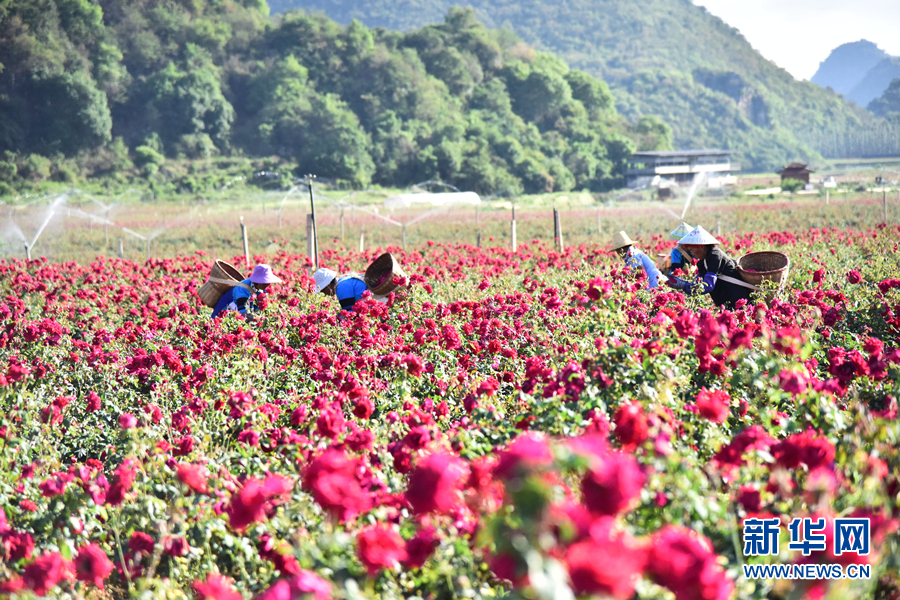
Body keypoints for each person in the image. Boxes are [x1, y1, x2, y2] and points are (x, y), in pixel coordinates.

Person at [667, 225, 754, 309]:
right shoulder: (703, 260)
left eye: (692, 250)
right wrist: (683, 282)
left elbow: (708, 285)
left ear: (701, 246)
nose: (692, 253)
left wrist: (684, 286)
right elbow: (698, 281)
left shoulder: (715, 255)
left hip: (737, 301)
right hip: (725, 302)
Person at [211, 264, 282, 319]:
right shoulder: (243, 289)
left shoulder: (260, 289)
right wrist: (256, 319)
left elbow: (257, 308)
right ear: (258, 281)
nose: (268, 284)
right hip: (223, 314)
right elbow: (242, 312)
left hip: (235, 315)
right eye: (265, 282)